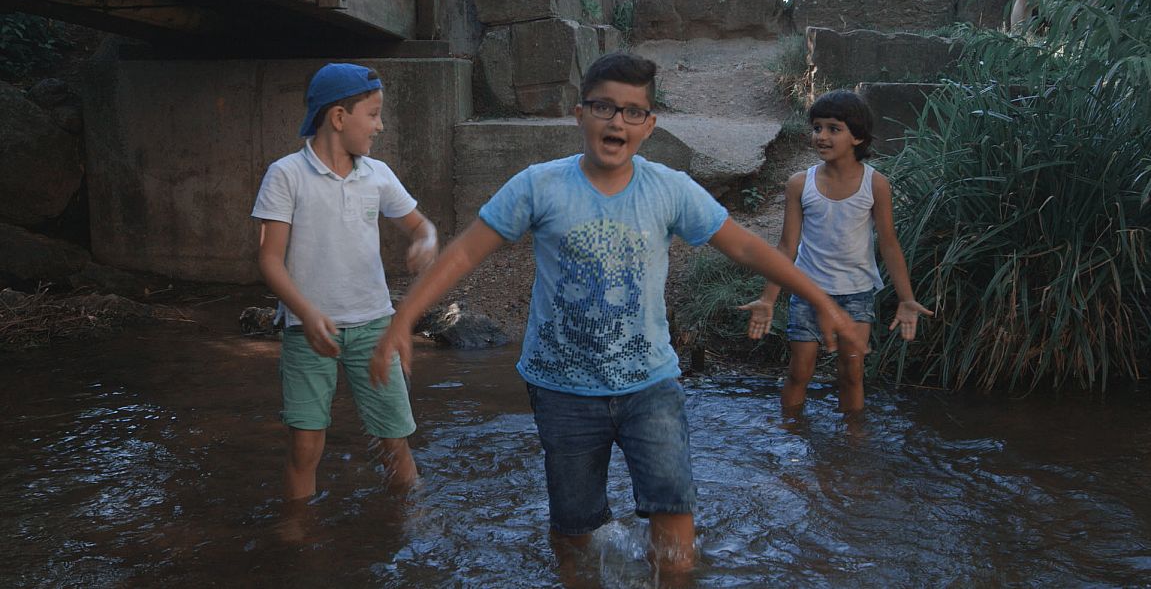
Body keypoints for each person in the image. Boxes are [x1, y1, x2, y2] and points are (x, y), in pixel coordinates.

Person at [368, 52, 865, 576]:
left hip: (650, 384)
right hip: (560, 388)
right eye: (604, 107)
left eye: (633, 112)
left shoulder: (668, 189)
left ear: (649, 125)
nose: (618, 122)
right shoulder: (539, 185)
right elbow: (465, 253)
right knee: (574, 531)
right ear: (580, 114)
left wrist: (820, 300)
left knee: (675, 522)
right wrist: (404, 319)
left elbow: (744, 246)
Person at [252, 63, 438, 503]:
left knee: (395, 440)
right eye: (372, 114)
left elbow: (422, 226)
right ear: (338, 117)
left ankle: (412, 520)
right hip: (307, 332)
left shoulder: (378, 174)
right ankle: (300, 531)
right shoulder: (286, 175)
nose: (380, 125)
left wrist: (425, 241)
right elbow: (269, 259)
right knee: (305, 447)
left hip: (375, 327)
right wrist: (306, 312)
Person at [740, 90, 933, 416]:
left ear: (857, 136)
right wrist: (768, 299)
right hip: (807, 292)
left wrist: (906, 298)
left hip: (856, 294)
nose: (822, 136)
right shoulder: (800, 184)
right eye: (817, 127)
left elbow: (889, 243)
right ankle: (790, 435)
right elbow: (786, 247)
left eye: (833, 128)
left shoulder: (875, 184)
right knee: (799, 372)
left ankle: (853, 442)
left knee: (852, 374)